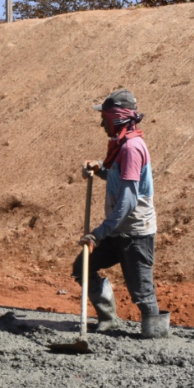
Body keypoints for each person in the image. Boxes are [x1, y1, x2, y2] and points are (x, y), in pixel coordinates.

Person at [74, 88, 165, 336]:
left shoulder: (131, 149)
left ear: (116, 119)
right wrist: (99, 169)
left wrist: (98, 234)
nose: (101, 124)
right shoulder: (121, 146)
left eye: (104, 118)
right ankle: (108, 318)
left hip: (135, 233)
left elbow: (128, 201)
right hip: (117, 229)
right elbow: (119, 180)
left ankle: (156, 337)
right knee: (83, 266)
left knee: (142, 292)